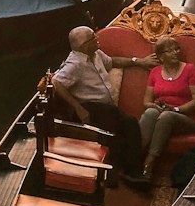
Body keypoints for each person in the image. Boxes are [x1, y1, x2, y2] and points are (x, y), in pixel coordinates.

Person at [51, 27, 156, 187]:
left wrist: (138, 61)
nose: (96, 38)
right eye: (93, 37)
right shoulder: (75, 63)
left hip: (104, 108)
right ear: (84, 45)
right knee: (117, 125)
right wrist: (79, 108)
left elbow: (112, 62)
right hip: (89, 108)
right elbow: (57, 83)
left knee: (130, 123)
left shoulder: (96, 54)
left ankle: (131, 171)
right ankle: (118, 174)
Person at [138, 36, 195, 180]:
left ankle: (149, 163)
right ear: (161, 56)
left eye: (177, 49)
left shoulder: (189, 69)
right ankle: (135, 156)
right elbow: (146, 102)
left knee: (166, 116)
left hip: (186, 117)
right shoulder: (155, 72)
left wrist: (176, 109)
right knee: (150, 112)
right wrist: (155, 106)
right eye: (170, 51)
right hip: (162, 112)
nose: (175, 53)